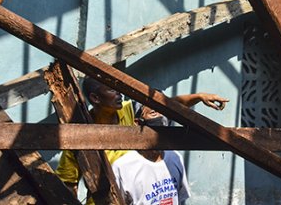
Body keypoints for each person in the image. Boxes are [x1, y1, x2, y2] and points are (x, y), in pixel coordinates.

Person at [55, 77, 228, 200]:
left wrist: (198, 97)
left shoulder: (128, 111)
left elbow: (165, 105)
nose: (119, 94)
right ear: (95, 98)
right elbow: (69, 183)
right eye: (112, 89)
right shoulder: (80, 134)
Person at [111, 106, 190, 205]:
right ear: (138, 123)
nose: (161, 117)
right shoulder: (123, 167)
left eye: (164, 113)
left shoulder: (175, 158)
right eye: (153, 113)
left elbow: (179, 197)